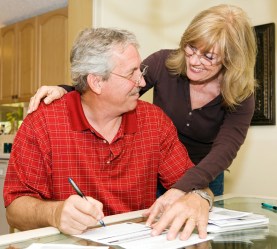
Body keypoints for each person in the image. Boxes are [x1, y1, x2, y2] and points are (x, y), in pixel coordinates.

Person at [4, 27, 213, 240]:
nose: (141, 82)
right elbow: (15, 210)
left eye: (139, 71)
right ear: (96, 82)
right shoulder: (42, 123)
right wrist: (55, 213)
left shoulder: (154, 121)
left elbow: (197, 186)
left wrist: (199, 198)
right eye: (131, 73)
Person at [28, 4, 257, 196]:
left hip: (206, 171)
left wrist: (184, 190)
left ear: (231, 59)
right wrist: (64, 90)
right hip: (158, 169)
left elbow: (225, 150)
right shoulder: (163, 63)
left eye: (208, 56)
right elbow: (116, 87)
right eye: (191, 47)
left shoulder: (240, 93)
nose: (194, 61)